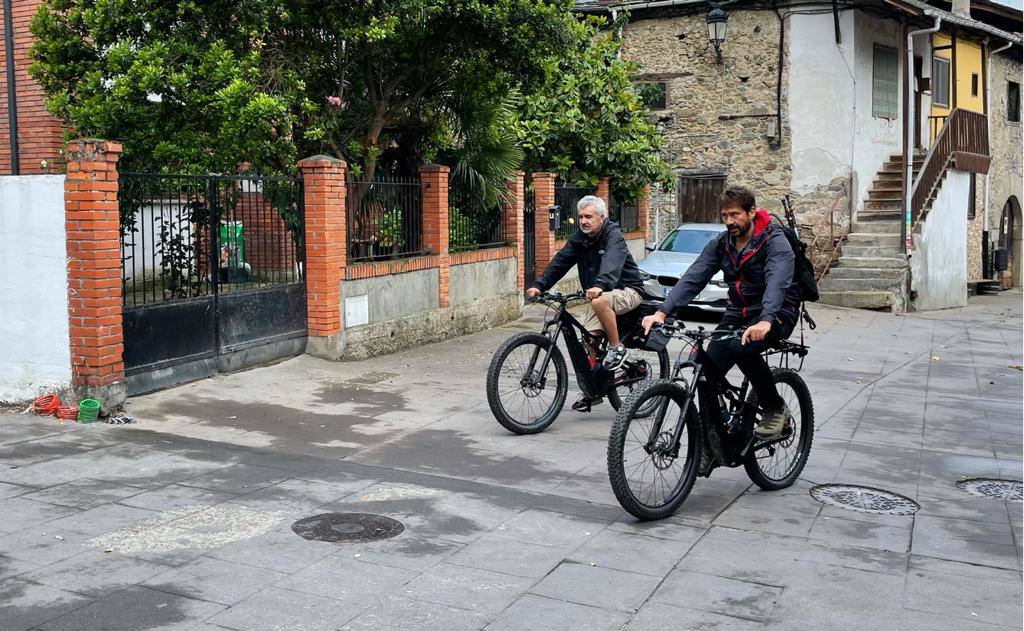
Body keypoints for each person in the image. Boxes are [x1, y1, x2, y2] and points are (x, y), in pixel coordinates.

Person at [642, 185, 801, 439]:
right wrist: (662, 312)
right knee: (702, 369)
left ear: (751, 212)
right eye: (725, 216)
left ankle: (774, 408)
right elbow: (695, 276)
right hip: (738, 312)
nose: (729, 221)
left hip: (778, 310)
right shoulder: (722, 243)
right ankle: (712, 440)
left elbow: (777, 281)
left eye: (735, 215)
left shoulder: (774, 240)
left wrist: (766, 320)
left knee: (742, 347)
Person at [526, 195, 645, 411]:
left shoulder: (613, 235)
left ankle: (617, 348)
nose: (583, 221)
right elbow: (561, 261)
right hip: (601, 294)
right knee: (589, 338)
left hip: (627, 291)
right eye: (580, 217)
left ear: (602, 217)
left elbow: (611, 262)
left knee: (599, 302)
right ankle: (594, 389)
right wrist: (540, 285)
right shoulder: (580, 238)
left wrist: (599, 284)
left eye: (588, 216)